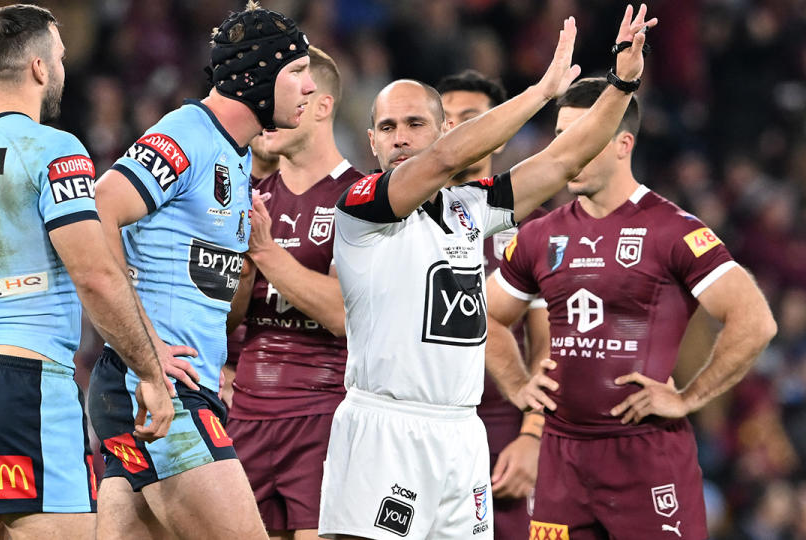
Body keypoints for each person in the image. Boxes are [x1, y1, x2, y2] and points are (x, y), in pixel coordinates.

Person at [319, 6, 657, 539]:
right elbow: (441, 162)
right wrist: (541, 91)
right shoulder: (360, 208)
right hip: (386, 427)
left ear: (442, 129)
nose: (401, 137)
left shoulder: (468, 209)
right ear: (372, 142)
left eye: (415, 124)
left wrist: (621, 83)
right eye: (388, 127)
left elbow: (561, 162)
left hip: (461, 431)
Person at [0, 5, 180, 539]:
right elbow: (97, 276)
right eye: (59, 56)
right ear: (37, 66)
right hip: (21, 384)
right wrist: (150, 373)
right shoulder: (52, 150)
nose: (62, 67)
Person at [485, 75, 777, 540]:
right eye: (562, 139)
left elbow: (755, 320)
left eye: (586, 137)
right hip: (561, 460)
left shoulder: (672, 230)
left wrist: (690, 398)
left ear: (623, 143)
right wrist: (518, 384)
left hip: (646, 459)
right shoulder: (539, 236)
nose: (570, 151)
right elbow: (486, 316)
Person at [87, 2, 315, 538]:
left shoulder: (235, 155)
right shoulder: (188, 132)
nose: (307, 88)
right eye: (298, 72)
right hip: (160, 387)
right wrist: (146, 348)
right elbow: (100, 206)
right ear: (259, 74)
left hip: (158, 386)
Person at [223, 45, 362, 540]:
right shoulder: (249, 199)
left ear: (320, 105)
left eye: (280, 97)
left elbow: (348, 316)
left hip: (324, 411)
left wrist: (265, 254)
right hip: (248, 411)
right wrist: (240, 274)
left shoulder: (363, 199)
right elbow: (228, 323)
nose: (267, 111)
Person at [436, 69, 550, 539]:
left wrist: (532, 434)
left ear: (500, 134)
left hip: (501, 425)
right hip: (418, 419)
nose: (457, 130)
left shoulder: (534, 227)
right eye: (445, 120)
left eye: (472, 118)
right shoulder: (397, 218)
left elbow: (550, 343)